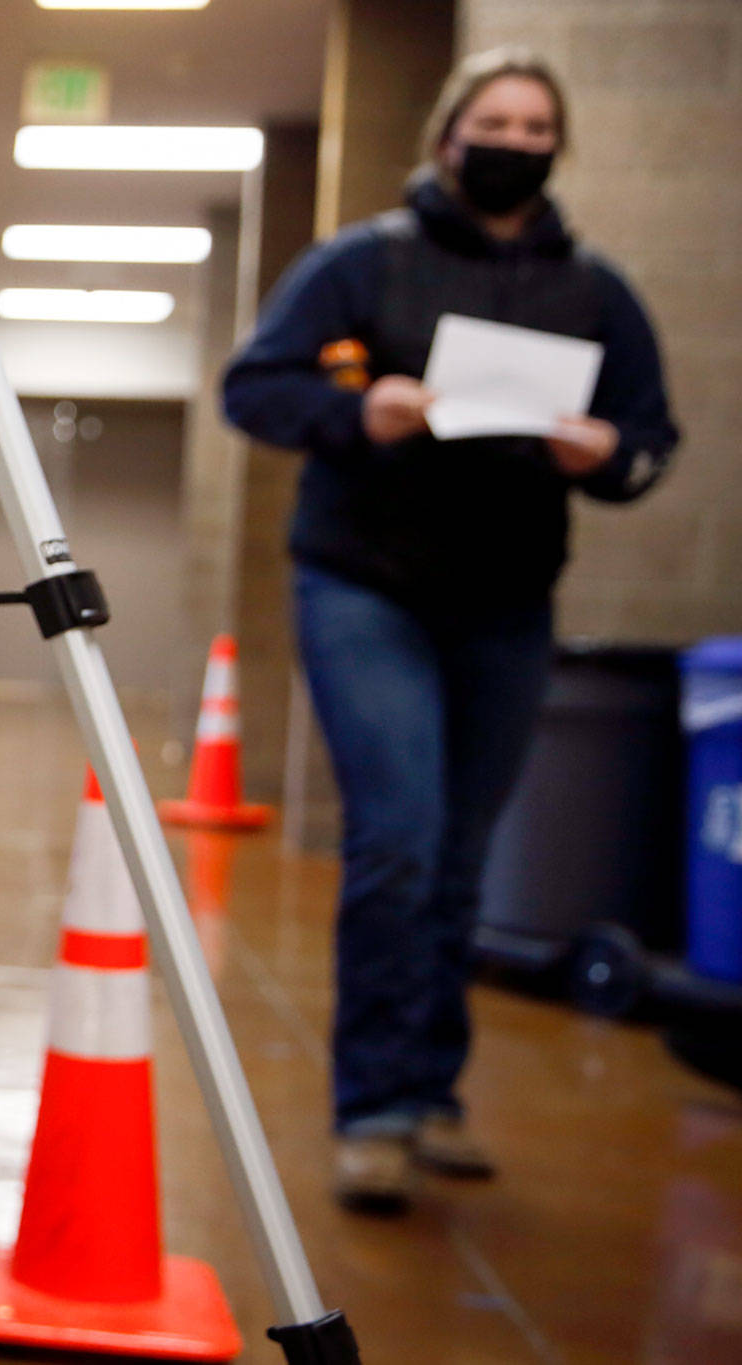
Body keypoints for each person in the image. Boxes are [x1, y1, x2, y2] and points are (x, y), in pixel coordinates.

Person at [222, 48, 677, 1212]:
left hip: (504, 604)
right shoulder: (359, 264)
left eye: (534, 125)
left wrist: (605, 455)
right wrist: (354, 410)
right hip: (362, 586)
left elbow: (646, 441)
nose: (512, 140)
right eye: (493, 120)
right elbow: (252, 388)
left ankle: (430, 1092)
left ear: (554, 148)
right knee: (399, 837)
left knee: (460, 861)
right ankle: (371, 1108)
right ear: (443, 137)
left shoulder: (597, 291)